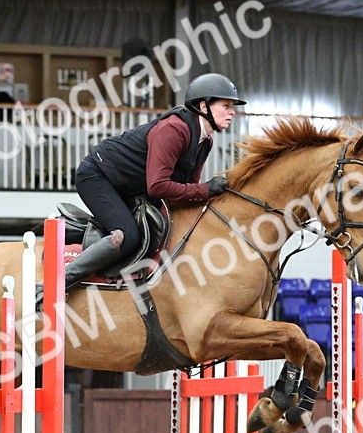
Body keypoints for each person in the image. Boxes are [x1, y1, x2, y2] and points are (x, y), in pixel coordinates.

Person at [58, 72, 246, 295]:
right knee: (126, 237)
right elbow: (157, 187)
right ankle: (57, 283)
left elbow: (187, 190)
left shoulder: (205, 141)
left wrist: (209, 194)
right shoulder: (174, 129)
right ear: (204, 106)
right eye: (226, 106)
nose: (232, 112)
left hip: (129, 185)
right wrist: (207, 189)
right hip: (97, 175)